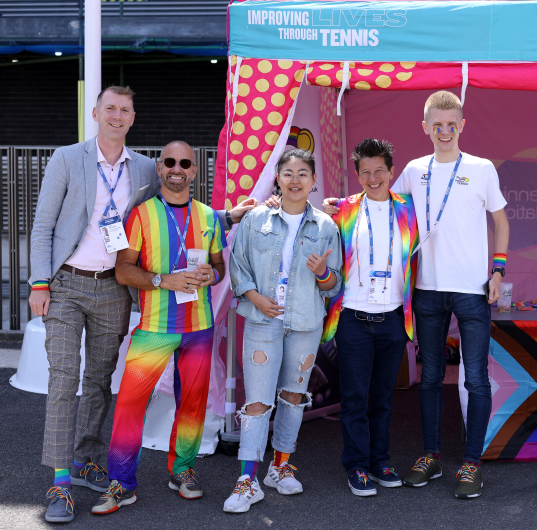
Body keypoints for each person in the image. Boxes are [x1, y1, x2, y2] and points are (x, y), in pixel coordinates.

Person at [28, 85, 252, 523]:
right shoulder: (68, 159)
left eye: (124, 110)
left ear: (132, 118)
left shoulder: (145, 168)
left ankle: (96, 463)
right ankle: (65, 482)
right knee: (64, 381)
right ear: (96, 113)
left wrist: (226, 227)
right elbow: (43, 227)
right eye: (109, 108)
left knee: (98, 382)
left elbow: (192, 218)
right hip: (70, 284)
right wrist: (39, 283)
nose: (116, 115)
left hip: (123, 294)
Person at [324, 91, 510, 499]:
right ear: (425, 128)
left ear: (462, 126)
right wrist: (337, 206)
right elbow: (380, 200)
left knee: (475, 379)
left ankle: (471, 462)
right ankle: (431, 456)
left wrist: (498, 269)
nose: (444, 132)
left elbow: (500, 219)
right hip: (425, 291)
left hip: (473, 291)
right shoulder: (412, 169)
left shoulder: (481, 169)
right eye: (436, 125)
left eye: (451, 125)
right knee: (429, 378)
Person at [91, 140, 229, 514]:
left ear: (194, 170)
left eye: (185, 162)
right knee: (130, 406)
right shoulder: (141, 215)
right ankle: (121, 482)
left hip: (198, 327)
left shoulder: (209, 217)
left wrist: (210, 273)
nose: (177, 168)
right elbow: (123, 270)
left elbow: (220, 267)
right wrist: (162, 281)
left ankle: (182, 471)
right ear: (160, 168)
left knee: (192, 405)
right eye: (170, 161)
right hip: (154, 327)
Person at [224, 148, 342, 514]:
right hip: (262, 320)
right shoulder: (256, 219)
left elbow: (334, 284)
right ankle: (247, 480)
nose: (294, 179)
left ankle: (280, 466)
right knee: (258, 401)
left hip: (305, 322)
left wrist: (323, 272)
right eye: (288, 172)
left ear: (313, 182)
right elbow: (237, 265)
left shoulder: (326, 226)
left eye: (302, 173)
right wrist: (256, 298)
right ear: (277, 177)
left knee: (293, 396)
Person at [321, 138, 419, 496]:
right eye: (366, 172)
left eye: (380, 171)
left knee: (382, 397)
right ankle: (357, 466)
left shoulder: (409, 209)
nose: (373, 177)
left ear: (392, 172)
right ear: (357, 175)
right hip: (353, 319)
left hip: (393, 318)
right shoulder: (343, 209)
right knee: (354, 399)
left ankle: (380, 461)